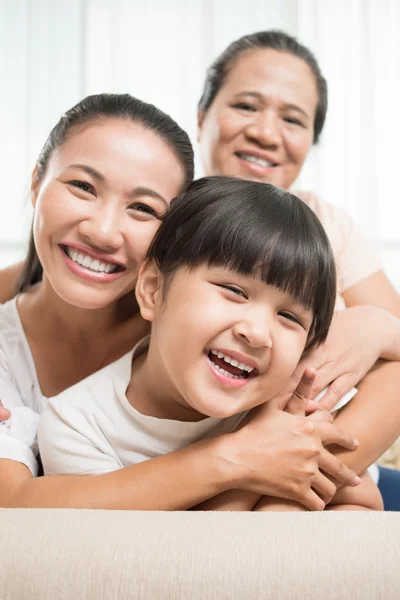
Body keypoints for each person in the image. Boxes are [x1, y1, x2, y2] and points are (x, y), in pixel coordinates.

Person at [0, 93, 360, 511]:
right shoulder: (68, 410)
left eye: (142, 208)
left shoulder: (228, 329)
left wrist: (380, 327)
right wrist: (239, 461)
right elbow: (13, 503)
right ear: (35, 184)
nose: (102, 231)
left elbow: (377, 388)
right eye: (82, 186)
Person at [37, 177, 381, 511]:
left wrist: (278, 512)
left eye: (289, 317)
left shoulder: (294, 396)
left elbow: (364, 502)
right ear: (154, 289)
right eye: (234, 291)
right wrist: (247, 479)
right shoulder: (77, 427)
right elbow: (137, 561)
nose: (258, 333)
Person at [196, 30, 400, 508]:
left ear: (311, 140)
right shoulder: (158, 216)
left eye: (293, 119)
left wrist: (373, 326)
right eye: (246, 106)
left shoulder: (329, 224)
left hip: (341, 470)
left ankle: (280, 500)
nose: (267, 133)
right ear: (203, 114)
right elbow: (34, 284)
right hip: (219, 468)